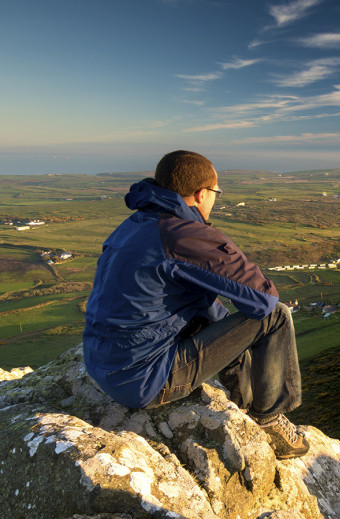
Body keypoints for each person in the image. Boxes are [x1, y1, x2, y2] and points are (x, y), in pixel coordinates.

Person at [83, 150, 309, 459]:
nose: (216, 199)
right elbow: (263, 301)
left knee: (213, 311)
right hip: (144, 380)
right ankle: (269, 419)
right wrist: (215, 241)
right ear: (201, 194)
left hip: (103, 365)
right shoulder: (182, 235)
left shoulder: (135, 224)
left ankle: (242, 401)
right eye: (216, 192)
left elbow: (198, 303)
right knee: (277, 316)